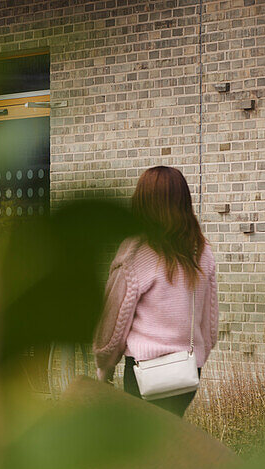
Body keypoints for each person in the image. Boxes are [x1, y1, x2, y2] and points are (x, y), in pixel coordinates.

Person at [93, 165, 219, 417]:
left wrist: (103, 368)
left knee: (143, 447)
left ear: (142, 201)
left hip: (145, 372)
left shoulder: (135, 251)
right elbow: (210, 321)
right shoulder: (201, 249)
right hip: (187, 371)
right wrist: (198, 357)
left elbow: (114, 322)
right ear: (184, 200)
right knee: (170, 441)